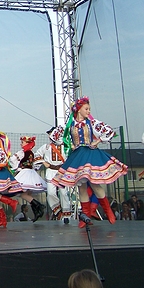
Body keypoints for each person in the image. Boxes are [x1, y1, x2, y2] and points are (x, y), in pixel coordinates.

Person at [51, 96, 128, 228]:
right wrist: (69, 144)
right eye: (86, 109)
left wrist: (97, 141)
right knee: (81, 187)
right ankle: (85, 216)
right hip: (78, 156)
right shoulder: (70, 125)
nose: (88, 111)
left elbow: (109, 131)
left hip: (90, 154)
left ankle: (108, 210)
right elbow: (55, 136)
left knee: (95, 184)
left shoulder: (91, 123)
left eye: (89, 109)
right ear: (79, 109)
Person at [35, 126, 72, 223]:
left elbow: (71, 156)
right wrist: (43, 162)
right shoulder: (46, 147)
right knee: (51, 193)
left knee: (63, 192)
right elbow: (37, 154)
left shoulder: (65, 146)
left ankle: (66, 214)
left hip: (61, 171)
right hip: (51, 171)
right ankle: (58, 210)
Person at [10, 135, 47, 222]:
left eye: (22, 142)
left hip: (25, 173)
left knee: (22, 193)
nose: (21, 144)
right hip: (31, 173)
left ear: (27, 143)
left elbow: (12, 160)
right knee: (28, 195)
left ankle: (40, 206)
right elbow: (34, 165)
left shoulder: (22, 152)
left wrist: (15, 167)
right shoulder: (31, 153)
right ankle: (37, 212)